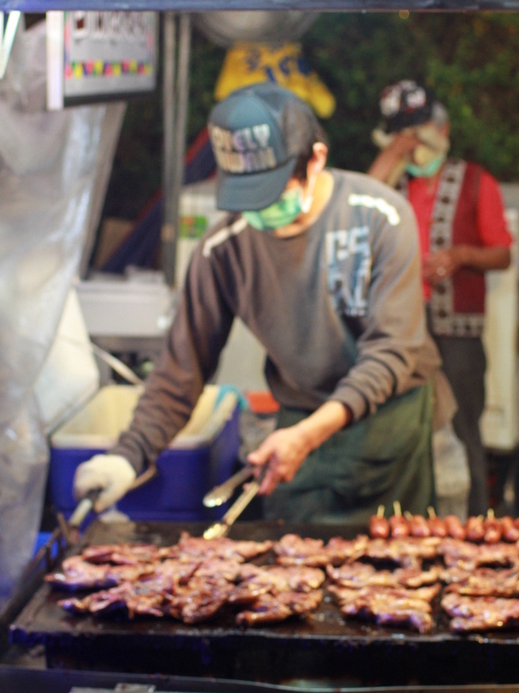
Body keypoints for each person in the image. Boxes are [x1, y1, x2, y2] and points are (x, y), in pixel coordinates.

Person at [74, 82, 450, 525]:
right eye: (248, 199)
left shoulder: (380, 217)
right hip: (298, 416)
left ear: (315, 159)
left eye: (272, 196)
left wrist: (309, 436)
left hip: (390, 422)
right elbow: (181, 372)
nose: (261, 216)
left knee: (398, 571)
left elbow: (392, 353)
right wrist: (128, 455)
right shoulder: (224, 249)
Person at [368, 80, 513, 516]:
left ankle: (472, 526)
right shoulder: (390, 185)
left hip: (456, 330)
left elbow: (503, 253)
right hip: (399, 326)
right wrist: (392, 156)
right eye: (403, 135)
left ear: (441, 129)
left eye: (420, 133)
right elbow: (356, 213)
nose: (415, 144)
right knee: (399, 426)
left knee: (463, 426)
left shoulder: (474, 181)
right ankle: (405, 523)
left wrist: (461, 255)